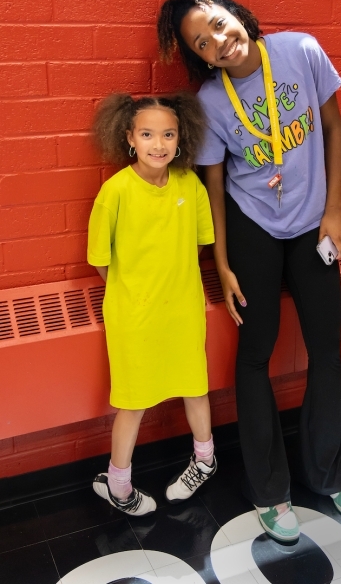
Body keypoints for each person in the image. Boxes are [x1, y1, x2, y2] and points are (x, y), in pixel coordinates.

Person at [157, 0, 341, 541]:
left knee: (327, 345)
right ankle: (270, 492)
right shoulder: (209, 101)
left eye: (218, 25)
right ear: (198, 56)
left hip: (312, 224)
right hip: (253, 226)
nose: (218, 42)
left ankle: (330, 474)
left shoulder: (300, 50)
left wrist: (335, 210)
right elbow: (215, 183)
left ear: (236, 14)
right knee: (255, 353)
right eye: (202, 43)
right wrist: (222, 264)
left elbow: (334, 127)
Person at [87, 91, 216, 516]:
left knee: (194, 387)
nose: (158, 144)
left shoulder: (190, 185)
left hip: (182, 310)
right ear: (130, 138)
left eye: (167, 134)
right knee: (134, 400)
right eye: (147, 134)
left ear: (181, 139)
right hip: (133, 315)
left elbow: (199, 243)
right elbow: (101, 261)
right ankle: (118, 485)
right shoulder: (115, 191)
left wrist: (172, 285)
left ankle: (205, 460)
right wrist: (136, 291)